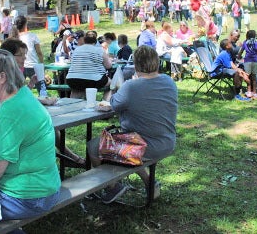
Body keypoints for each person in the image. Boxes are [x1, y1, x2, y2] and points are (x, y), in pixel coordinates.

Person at [0, 49, 61, 220]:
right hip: (47, 187)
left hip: (27, 198)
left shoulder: (10, 112)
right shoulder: (20, 95)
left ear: (2, 77)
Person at [87, 45, 177, 204]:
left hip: (142, 145)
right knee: (130, 144)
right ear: (156, 62)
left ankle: (111, 186)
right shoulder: (169, 81)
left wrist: (126, 85)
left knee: (93, 146)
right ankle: (149, 182)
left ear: (136, 65)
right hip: (167, 141)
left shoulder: (131, 86)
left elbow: (113, 103)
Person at [66, 31, 112, 100]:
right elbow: (108, 66)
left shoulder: (77, 50)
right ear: (95, 41)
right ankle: (105, 102)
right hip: (94, 80)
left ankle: (72, 106)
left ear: (84, 40)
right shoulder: (99, 50)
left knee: (77, 90)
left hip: (72, 79)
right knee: (111, 84)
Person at [16, 15, 43, 82]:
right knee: (41, 87)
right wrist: (42, 64)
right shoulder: (32, 36)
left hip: (19, 66)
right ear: (25, 24)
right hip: (33, 65)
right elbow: (39, 52)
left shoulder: (15, 37)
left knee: (19, 88)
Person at [238, 30, 257, 99]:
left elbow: (241, 51)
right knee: (254, 77)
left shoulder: (245, 42)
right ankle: (254, 92)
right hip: (255, 61)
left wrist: (239, 57)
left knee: (247, 76)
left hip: (247, 61)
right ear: (255, 36)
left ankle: (249, 91)